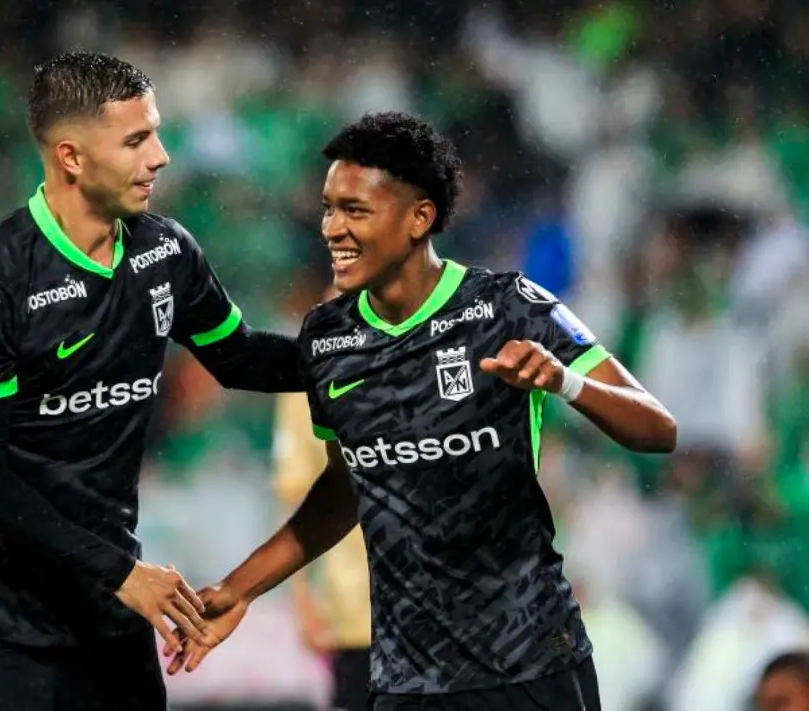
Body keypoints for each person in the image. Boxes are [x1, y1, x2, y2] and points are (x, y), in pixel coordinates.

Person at [166, 112, 678, 710]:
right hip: (407, 681)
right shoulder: (329, 338)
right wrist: (241, 587)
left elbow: (656, 429)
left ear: (419, 217)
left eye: (355, 210)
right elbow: (349, 485)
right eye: (329, 208)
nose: (332, 227)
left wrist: (566, 382)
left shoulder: (509, 307)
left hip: (532, 665)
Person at [0, 52, 302, 711]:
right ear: (71, 156)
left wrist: (377, 350)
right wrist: (122, 572)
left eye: (155, 132)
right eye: (136, 139)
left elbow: (241, 357)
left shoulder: (165, 252)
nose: (160, 156)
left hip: (106, 602)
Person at [273, 286, 372, 711]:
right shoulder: (311, 372)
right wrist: (301, 599)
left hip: (436, 610)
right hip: (354, 612)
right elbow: (295, 492)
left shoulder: (430, 351)